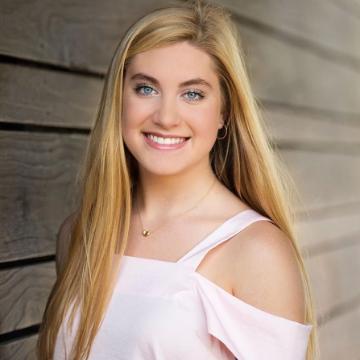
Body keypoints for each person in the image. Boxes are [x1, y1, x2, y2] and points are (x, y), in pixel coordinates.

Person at [37, 0, 319, 359]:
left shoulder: (255, 251)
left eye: (193, 94)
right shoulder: (80, 233)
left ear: (224, 114)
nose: (167, 117)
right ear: (118, 100)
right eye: (146, 89)